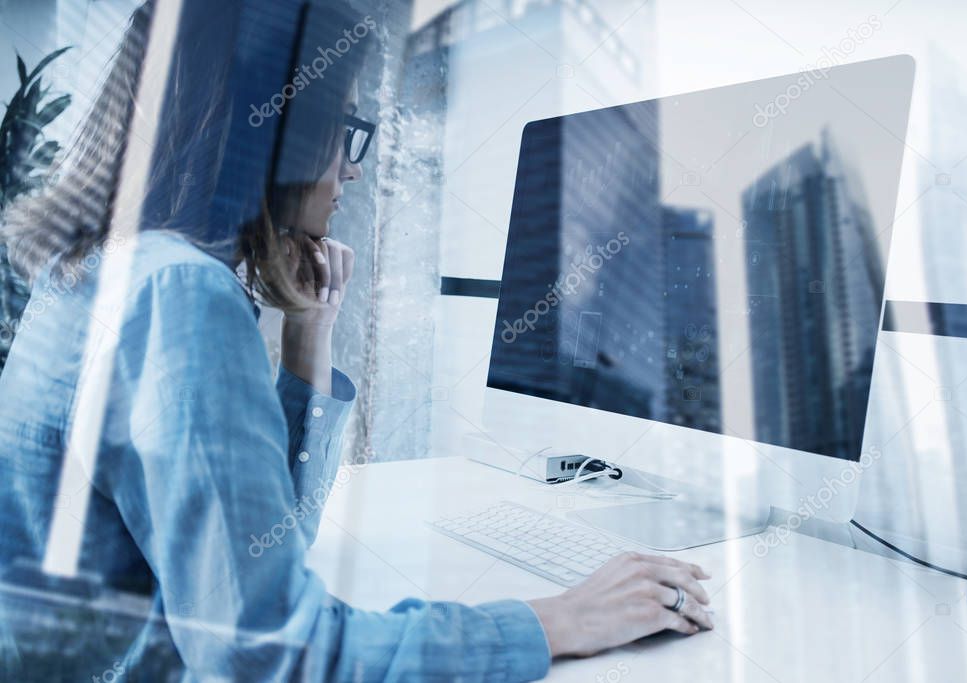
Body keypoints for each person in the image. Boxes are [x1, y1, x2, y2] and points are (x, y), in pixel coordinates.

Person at [0, 2, 713, 680]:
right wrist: (556, 620)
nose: (352, 167)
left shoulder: (105, 264)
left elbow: (262, 558)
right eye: (343, 129)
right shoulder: (178, 292)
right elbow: (276, 653)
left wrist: (310, 342)